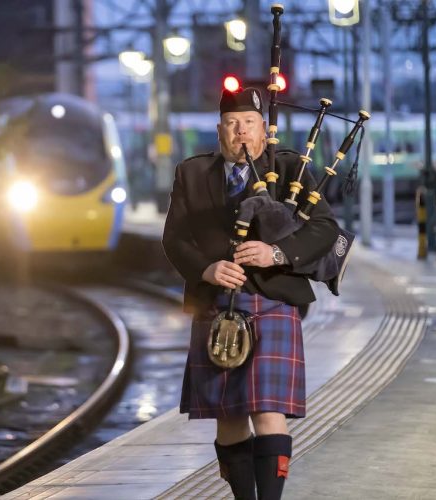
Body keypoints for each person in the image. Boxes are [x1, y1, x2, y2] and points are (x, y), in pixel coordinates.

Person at [162, 87, 339, 500]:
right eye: (232, 123)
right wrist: (205, 268)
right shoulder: (191, 173)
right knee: (228, 415)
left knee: (267, 408)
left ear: (264, 130)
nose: (241, 131)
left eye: (250, 123)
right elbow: (175, 238)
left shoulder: (292, 168)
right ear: (220, 130)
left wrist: (275, 252)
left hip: (272, 299)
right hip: (215, 304)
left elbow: (324, 228)